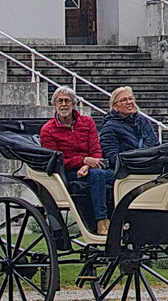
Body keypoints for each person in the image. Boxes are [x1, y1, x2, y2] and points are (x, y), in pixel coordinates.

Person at [38, 86, 112, 235]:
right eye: (60, 101)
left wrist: (87, 165)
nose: (64, 104)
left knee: (121, 176)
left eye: (67, 101)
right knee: (99, 175)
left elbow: (96, 150)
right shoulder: (47, 130)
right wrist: (82, 161)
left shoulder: (87, 122)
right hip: (67, 172)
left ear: (73, 104)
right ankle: (101, 221)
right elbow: (56, 160)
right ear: (55, 105)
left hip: (90, 167)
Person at [100, 86, 162, 169]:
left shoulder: (144, 121)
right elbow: (112, 157)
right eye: (123, 100)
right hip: (129, 171)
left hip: (149, 166)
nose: (129, 102)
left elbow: (156, 145)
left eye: (130, 99)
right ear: (115, 107)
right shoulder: (109, 127)